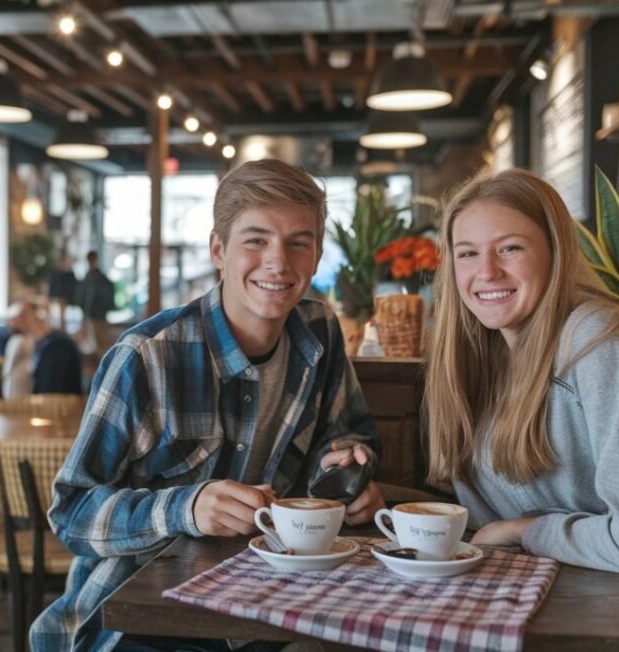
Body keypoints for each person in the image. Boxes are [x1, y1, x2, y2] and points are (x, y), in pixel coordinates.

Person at [31, 160, 384, 651]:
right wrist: (185, 508)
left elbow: (349, 433)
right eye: (256, 240)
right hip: (140, 620)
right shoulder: (146, 356)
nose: (278, 263)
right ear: (219, 250)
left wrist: (345, 468)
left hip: (269, 600)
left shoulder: (319, 330)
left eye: (298, 242)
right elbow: (70, 514)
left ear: (317, 253)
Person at [424, 168, 619, 577]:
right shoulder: (476, 353)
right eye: (467, 253)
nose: (486, 271)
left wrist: (524, 530)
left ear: (556, 252)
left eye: (510, 248)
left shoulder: (596, 338)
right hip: (519, 584)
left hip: (613, 599)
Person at [2, 297, 83, 398]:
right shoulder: (39, 345)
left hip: (60, 409)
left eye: (23, 314)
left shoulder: (58, 347)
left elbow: (52, 393)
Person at [77, 249, 116, 356]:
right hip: (93, 315)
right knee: (97, 346)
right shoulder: (92, 277)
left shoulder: (96, 278)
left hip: (97, 315)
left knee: (100, 346)